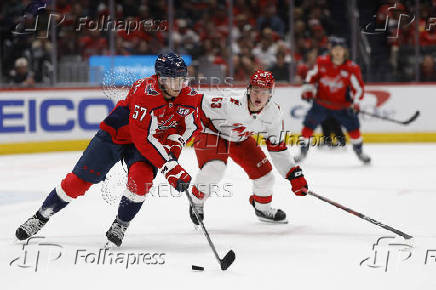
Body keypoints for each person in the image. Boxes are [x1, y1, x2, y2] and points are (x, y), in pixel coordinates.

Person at [15, 52, 203, 247]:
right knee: (77, 182)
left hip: (148, 143)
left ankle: (120, 224)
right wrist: (170, 168)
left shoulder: (188, 96)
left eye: (181, 79)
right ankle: (40, 216)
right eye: (173, 80)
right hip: (116, 136)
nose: (178, 85)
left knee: (141, 179)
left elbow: (192, 126)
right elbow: (143, 139)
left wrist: (175, 144)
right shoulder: (144, 92)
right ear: (160, 79)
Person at [189, 70, 308, 225]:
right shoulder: (231, 102)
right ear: (249, 90)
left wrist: (293, 174)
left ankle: (262, 208)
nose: (258, 96)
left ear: (271, 93)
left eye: (264, 92)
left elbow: (277, 147)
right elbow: (196, 102)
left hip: (239, 138)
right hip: (211, 132)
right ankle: (197, 201)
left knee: (266, 177)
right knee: (215, 167)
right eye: (255, 90)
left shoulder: (273, 113)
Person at [295, 36, 371, 164]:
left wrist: (356, 102)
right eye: (335, 48)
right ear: (331, 50)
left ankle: (359, 152)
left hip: (342, 107)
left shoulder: (352, 68)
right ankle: (302, 152)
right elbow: (310, 77)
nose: (337, 52)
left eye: (340, 49)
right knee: (308, 127)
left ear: (345, 51)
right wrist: (307, 90)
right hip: (321, 104)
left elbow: (358, 89)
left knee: (354, 130)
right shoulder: (322, 62)